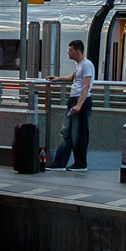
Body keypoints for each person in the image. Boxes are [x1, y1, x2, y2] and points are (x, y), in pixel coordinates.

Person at [46, 39, 94, 171]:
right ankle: (60, 162)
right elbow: (74, 77)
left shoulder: (87, 65)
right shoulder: (79, 65)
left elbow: (86, 86)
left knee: (78, 134)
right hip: (74, 99)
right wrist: (59, 78)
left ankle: (80, 163)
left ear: (77, 51)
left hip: (80, 101)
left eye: (70, 50)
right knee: (66, 132)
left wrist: (79, 105)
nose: (68, 53)